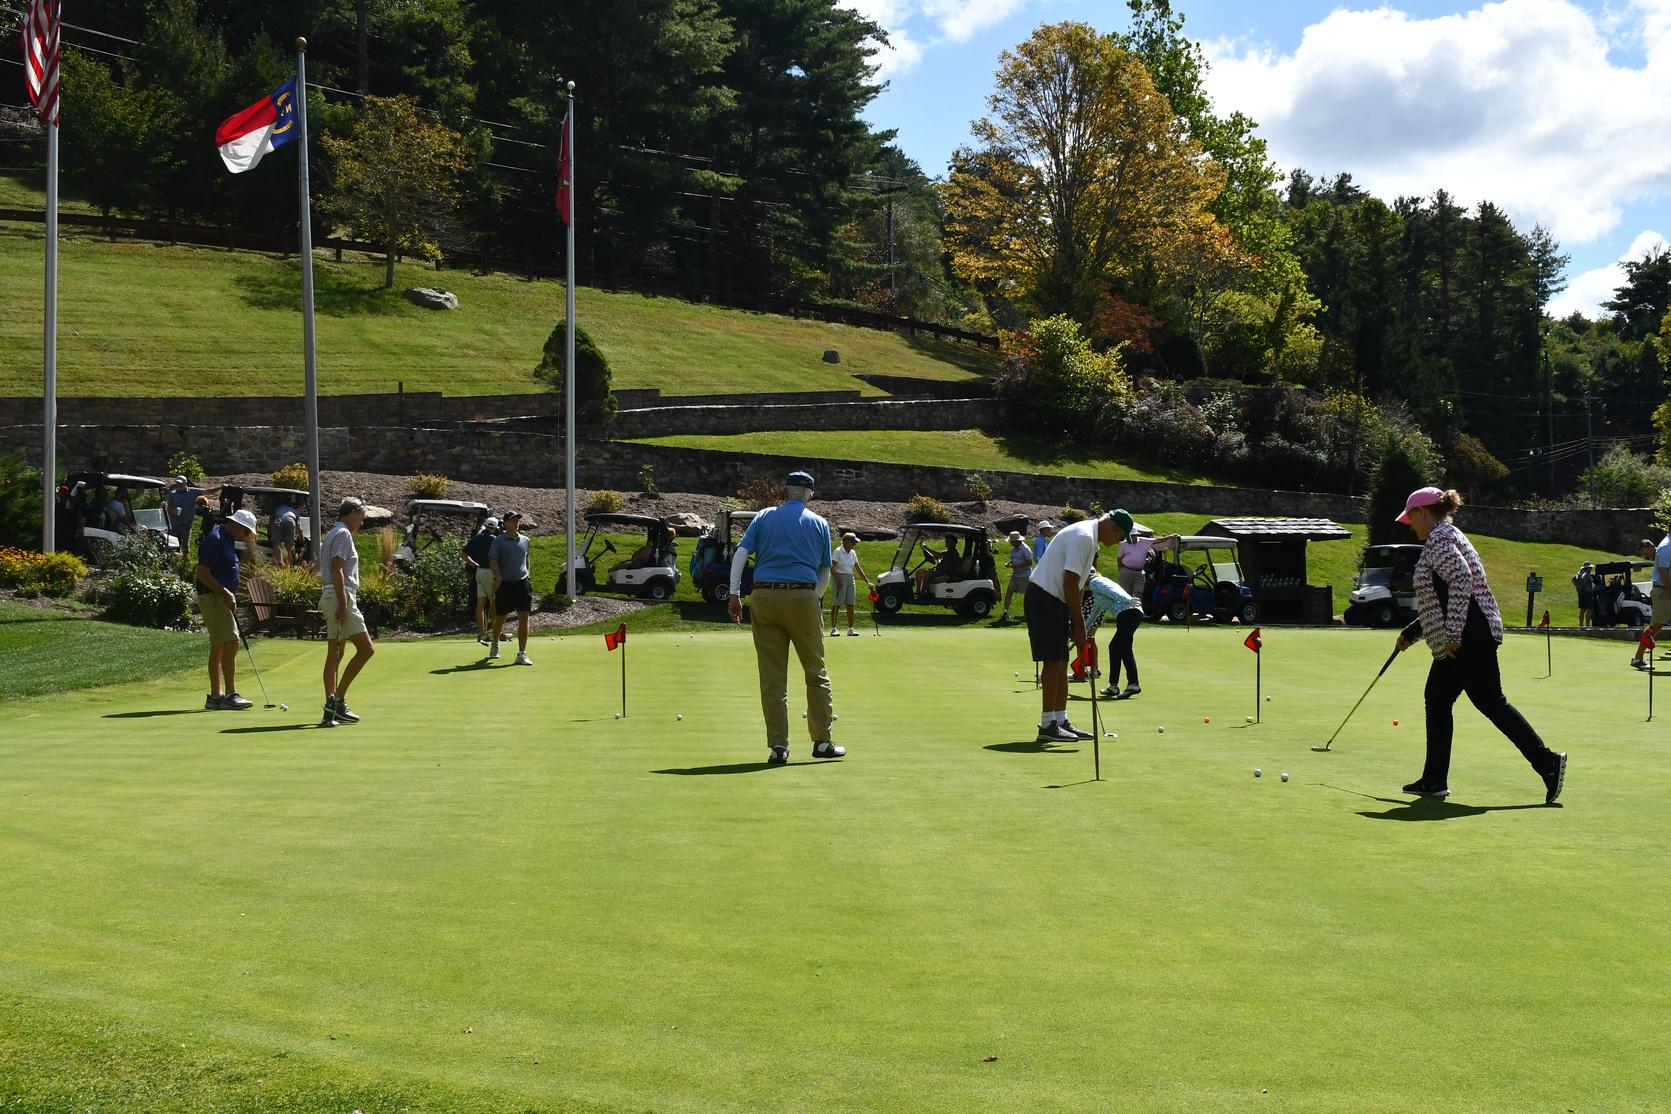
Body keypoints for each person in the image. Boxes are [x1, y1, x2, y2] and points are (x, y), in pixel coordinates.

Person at [1393, 487, 1565, 803]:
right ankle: (1434, 779)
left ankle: (1547, 762)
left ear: (1421, 512)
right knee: (1446, 698)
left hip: (1468, 636)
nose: (1410, 525)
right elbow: (1442, 596)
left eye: (1411, 518)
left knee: (1479, 701)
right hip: (1470, 633)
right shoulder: (1448, 536)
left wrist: (1454, 635)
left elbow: (1461, 580)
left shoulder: (1440, 540)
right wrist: (1414, 631)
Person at [727, 470, 843, 764]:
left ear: (786, 491)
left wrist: (734, 593)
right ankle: (822, 742)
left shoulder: (764, 516)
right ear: (809, 495)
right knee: (815, 672)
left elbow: (741, 554)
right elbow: (824, 571)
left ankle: (779, 747)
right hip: (803, 595)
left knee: (772, 677)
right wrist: (814, 598)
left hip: (764, 596)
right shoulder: (819, 523)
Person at [1025, 509, 1132, 743]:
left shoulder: (1091, 540)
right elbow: (1070, 583)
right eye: (1121, 537)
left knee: (1062, 660)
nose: (1118, 543)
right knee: (1053, 660)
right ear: (1114, 529)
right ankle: (1047, 725)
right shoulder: (1083, 536)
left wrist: (1077, 622)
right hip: (1044, 598)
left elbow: (1080, 586)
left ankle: (1060, 720)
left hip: (1057, 601)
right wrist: (1080, 626)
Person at [193, 507, 259, 711]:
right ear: (237, 525)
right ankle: (229, 694)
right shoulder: (216, 539)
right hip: (214, 597)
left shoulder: (226, 539)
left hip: (220, 597)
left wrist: (227, 594)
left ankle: (216, 696)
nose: (246, 535)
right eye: (246, 531)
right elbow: (202, 573)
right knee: (230, 642)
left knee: (220, 645)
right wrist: (225, 593)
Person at [320, 497, 375, 726]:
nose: (361, 523)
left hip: (330, 595)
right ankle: (337, 701)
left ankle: (330, 709)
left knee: (336, 652)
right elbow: (337, 568)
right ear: (352, 513)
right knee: (366, 649)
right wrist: (343, 603)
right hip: (340, 596)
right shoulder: (343, 534)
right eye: (361, 517)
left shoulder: (332, 533)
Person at [1085, 572, 1145, 699]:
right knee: (1114, 647)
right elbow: (1094, 613)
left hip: (1128, 612)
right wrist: (1083, 631)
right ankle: (1113, 686)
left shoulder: (1095, 582)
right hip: (1130, 613)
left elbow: (1112, 592)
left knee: (1124, 648)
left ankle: (1133, 684)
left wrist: (1128, 600)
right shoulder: (1096, 591)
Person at [488, 510, 534, 665]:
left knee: (524, 617)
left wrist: (528, 574)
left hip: (522, 584)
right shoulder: (498, 541)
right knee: (501, 617)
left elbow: (527, 557)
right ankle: (495, 643)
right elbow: (492, 560)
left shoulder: (525, 540)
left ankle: (522, 653)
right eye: (513, 520)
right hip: (505, 584)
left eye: (517, 520)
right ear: (506, 523)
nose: (516, 523)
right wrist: (498, 576)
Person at [1631, 535, 1668, 670]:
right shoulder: (1664, 549)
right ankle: (1638, 658)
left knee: (1656, 624)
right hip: (1664, 591)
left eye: (1644, 552)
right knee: (1656, 625)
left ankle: (1638, 657)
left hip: (1664, 590)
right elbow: (1664, 573)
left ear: (1649, 546)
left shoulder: (1662, 550)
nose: (1645, 556)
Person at [1116, 530, 1182, 602]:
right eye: (1130, 536)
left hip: (1139, 572)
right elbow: (1119, 558)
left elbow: (1157, 540)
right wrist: (1121, 570)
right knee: (1126, 594)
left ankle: (1138, 608)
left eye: (1133, 536)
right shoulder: (1124, 544)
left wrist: (1170, 536)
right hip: (1126, 571)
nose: (1132, 537)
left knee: (1139, 593)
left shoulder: (1144, 541)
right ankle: (1125, 608)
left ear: (1136, 535)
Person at [463, 516, 500, 645]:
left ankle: (482, 632)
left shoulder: (476, 539)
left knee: (481, 603)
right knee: (494, 602)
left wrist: (474, 565)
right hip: (491, 572)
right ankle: (495, 632)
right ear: (495, 528)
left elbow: (463, 554)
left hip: (479, 572)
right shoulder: (495, 540)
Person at [828, 531, 871, 636]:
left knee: (851, 604)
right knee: (837, 604)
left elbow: (857, 568)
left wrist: (867, 581)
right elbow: (831, 567)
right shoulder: (838, 551)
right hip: (839, 577)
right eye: (853, 542)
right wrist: (838, 579)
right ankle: (833, 629)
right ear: (846, 541)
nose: (854, 544)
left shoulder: (852, 553)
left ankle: (850, 629)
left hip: (850, 577)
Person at [1001, 530, 1033, 621]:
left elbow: (1029, 562)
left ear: (1017, 541)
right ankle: (1006, 612)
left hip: (1025, 576)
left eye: (1012, 541)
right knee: (1009, 592)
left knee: (1027, 596)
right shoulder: (1014, 549)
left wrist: (1016, 566)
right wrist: (1009, 563)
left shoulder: (1025, 549)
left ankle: (1027, 614)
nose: (1010, 543)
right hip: (1015, 575)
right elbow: (1014, 559)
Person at [166, 475, 200, 556]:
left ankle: (184, 561)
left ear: (185, 483)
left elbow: (207, 491)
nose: (178, 485)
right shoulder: (173, 494)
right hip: (174, 524)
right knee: (173, 545)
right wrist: (173, 511)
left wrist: (220, 487)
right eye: (177, 483)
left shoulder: (193, 492)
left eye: (180, 483)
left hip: (186, 524)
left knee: (185, 546)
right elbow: (168, 507)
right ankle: (174, 560)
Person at [270, 500, 300, 567]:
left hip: (278, 519)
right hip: (290, 521)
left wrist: (270, 532)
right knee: (289, 548)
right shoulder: (294, 511)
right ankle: (289, 567)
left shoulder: (277, 508)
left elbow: (271, 521)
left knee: (277, 545)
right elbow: (299, 528)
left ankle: (278, 564)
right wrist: (302, 539)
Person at [1572, 562, 1594, 628]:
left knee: (1582, 610)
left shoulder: (1579, 573)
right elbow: (1583, 578)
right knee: (1589, 609)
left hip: (1581, 593)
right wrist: (1586, 587)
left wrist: (1577, 586)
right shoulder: (1586, 574)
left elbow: (1573, 579)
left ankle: (1581, 626)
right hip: (1587, 593)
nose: (1591, 569)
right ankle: (1587, 626)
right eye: (1590, 568)